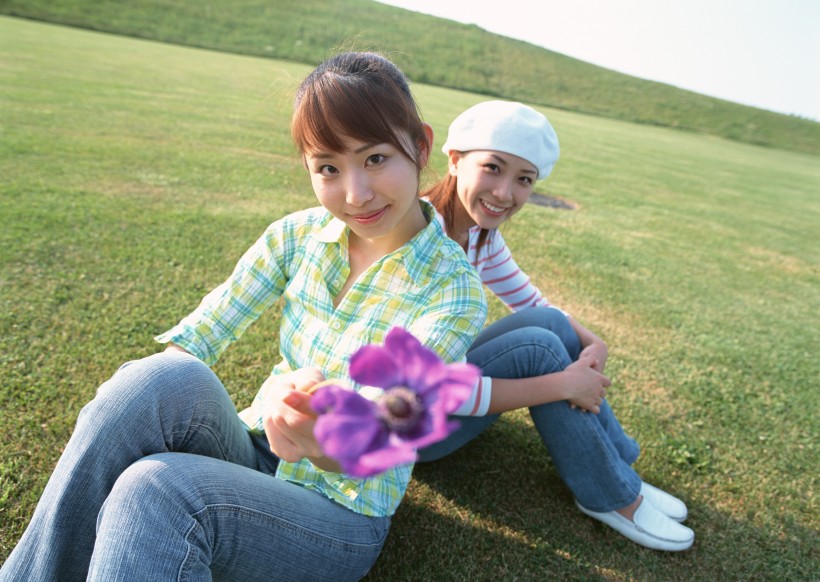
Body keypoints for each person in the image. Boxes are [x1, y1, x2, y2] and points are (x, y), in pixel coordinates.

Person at [0, 52, 487, 582]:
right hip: (253, 451)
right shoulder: (297, 236)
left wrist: (322, 434)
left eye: (374, 159)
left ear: (420, 144)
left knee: (158, 489)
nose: (355, 194)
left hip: (341, 512)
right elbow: (208, 328)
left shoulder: (453, 290)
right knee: (150, 380)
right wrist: (154, 397)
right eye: (328, 167)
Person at [420, 100, 695, 552]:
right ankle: (613, 497)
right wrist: (563, 384)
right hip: (407, 423)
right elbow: (422, 386)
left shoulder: (479, 235)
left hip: (444, 391)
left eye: (524, 179)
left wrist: (593, 340)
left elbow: (532, 302)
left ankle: (620, 467)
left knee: (549, 325)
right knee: (540, 351)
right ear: (454, 159)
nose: (505, 192)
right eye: (493, 167)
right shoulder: (418, 235)